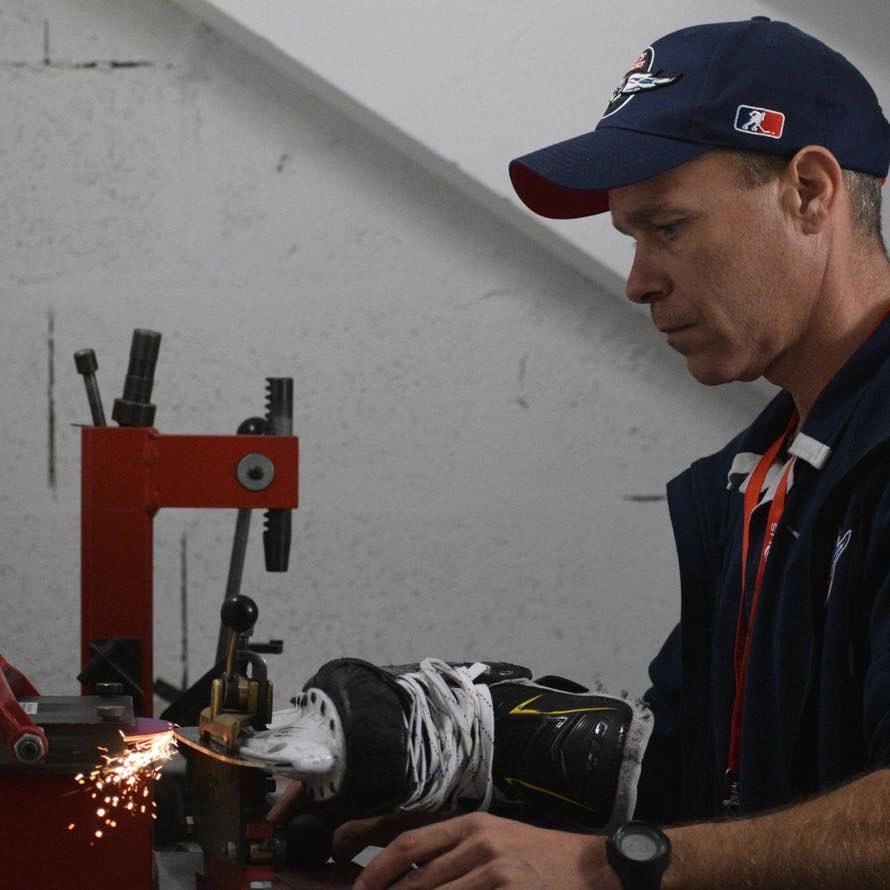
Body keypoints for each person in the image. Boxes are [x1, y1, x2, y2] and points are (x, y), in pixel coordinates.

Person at [255, 17, 890, 887]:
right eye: (631, 237)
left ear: (810, 192)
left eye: (667, 228)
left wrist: (610, 868)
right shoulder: (766, 475)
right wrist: (478, 772)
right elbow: (708, 773)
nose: (638, 280)